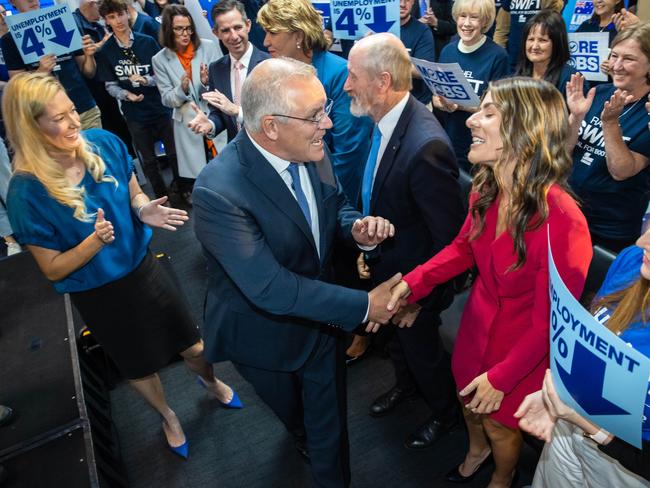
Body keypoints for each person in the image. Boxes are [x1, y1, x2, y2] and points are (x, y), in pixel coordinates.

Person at [4, 72, 241, 460]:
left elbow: (132, 187)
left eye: (71, 111)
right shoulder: (26, 192)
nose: (74, 122)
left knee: (194, 346)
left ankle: (210, 382)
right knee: (138, 365)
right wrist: (94, 241)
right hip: (98, 294)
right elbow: (53, 269)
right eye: (59, 118)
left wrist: (140, 208)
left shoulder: (103, 142)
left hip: (144, 269)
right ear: (32, 127)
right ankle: (168, 416)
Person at [192, 57, 400, 488]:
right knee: (296, 420)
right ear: (271, 126)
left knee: (330, 432)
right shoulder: (218, 190)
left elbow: (333, 208)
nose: (327, 122)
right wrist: (365, 305)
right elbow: (269, 287)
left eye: (324, 109)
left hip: (322, 325)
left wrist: (356, 231)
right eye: (314, 115)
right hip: (262, 339)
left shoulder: (312, 149)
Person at [387, 77, 593, 487]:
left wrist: (502, 378)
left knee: (500, 425)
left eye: (489, 112)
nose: (471, 122)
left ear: (524, 129)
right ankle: (475, 450)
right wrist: (412, 283)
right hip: (478, 324)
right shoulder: (488, 187)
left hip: (524, 347)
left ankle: (502, 476)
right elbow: (464, 247)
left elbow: (552, 322)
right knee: (467, 402)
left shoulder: (565, 221)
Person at [344, 33, 465, 449]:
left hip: (416, 283)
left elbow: (450, 241)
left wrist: (419, 298)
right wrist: (370, 252)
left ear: (381, 81)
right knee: (396, 346)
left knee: (423, 353)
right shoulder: (384, 123)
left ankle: (447, 415)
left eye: (352, 76)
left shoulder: (426, 145)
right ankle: (407, 388)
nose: (345, 86)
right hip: (388, 265)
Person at [516, 228, 650, 486]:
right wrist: (559, 392)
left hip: (624, 466)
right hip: (570, 425)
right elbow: (592, 347)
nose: (641, 241)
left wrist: (588, 425)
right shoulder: (633, 261)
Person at [257, 0, 373, 203]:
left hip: (328, 192)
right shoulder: (275, 73)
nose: (265, 41)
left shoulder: (341, 75)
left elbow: (349, 152)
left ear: (299, 36)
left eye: (273, 32)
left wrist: (325, 200)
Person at [566, 22, 650, 252]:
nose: (617, 66)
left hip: (608, 229)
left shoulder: (647, 113)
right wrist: (576, 116)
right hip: (568, 210)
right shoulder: (599, 93)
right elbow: (561, 152)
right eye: (614, 56)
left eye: (629, 59)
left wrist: (610, 123)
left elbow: (621, 171)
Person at [96, 0, 183, 200]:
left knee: (175, 153)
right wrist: (127, 95)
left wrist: (146, 80)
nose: (117, 20)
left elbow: (163, 75)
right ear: (106, 21)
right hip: (134, 114)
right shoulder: (106, 51)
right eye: (111, 17)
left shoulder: (147, 41)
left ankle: (182, 188)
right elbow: (110, 85)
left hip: (159, 107)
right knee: (149, 160)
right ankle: (162, 197)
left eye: (119, 14)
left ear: (127, 13)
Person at [3, 0, 101, 130]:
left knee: (96, 149)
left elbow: (89, 72)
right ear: (12, 2)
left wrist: (89, 55)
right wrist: (41, 72)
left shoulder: (65, 21)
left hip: (85, 108)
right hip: (50, 118)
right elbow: (19, 89)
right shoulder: (9, 40)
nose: (33, 0)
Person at [436, 0, 508, 172]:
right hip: (449, 139)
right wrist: (442, 102)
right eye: (462, 16)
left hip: (482, 146)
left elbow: (499, 109)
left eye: (474, 17)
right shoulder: (448, 51)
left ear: (484, 21)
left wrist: (459, 104)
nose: (466, 23)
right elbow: (436, 96)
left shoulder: (498, 56)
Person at [152, 5, 221, 185]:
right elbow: (167, 99)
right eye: (179, 29)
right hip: (189, 127)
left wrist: (206, 83)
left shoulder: (209, 47)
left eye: (189, 28)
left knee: (227, 169)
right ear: (169, 30)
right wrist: (181, 90)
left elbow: (222, 85)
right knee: (204, 179)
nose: (185, 33)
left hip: (215, 118)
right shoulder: (159, 60)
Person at [187, 0, 269, 143]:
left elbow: (276, 115)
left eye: (238, 27)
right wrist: (210, 124)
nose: (234, 36)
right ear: (216, 33)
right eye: (225, 30)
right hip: (236, 152)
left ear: (248, 25)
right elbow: (219, 113)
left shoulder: (270, 65)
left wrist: (237, 111)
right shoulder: (215, 69)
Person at [514, 10, 588, 96]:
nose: (534, 46)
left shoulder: (571, 79)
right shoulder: (520, 73)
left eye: (542, 40)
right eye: (531, 39)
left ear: (557, 43)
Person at [493, 0, 563, 72]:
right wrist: (498, 55)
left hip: (540, 60)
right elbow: (501, 30)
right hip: (514, 59)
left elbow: (553, 25)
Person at [399, 0, 436, 106]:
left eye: (407, 0)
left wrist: (385, 61)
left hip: (416, 103)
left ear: (413, 2)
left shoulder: (422, 31)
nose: (402, 4)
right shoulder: (376, 29)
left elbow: (423, 70)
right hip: (383, 101)